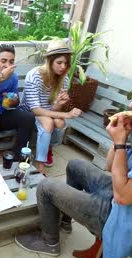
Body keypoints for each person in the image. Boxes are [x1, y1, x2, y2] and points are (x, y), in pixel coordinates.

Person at [15, 70, 132, 258]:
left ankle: (49, 242)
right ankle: (64, 222)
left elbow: (123, 197)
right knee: (74, 165)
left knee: (46, 187)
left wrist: (120, 144)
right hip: (125, 192)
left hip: (127, 214)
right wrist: (119, 138)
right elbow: (110, 166)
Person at [19, 40, 82, 173]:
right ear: (49, 61)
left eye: (66, 63)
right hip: (28, 113)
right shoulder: (34, 76)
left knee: (59, 122)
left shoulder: (63, 78)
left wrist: (59, 104)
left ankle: (48, 149)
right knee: (49, 122)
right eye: (59, 63)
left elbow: (52, 110)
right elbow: (35, 110)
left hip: (47, 112)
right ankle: (40, 164)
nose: (63, 67)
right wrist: (67, 114)